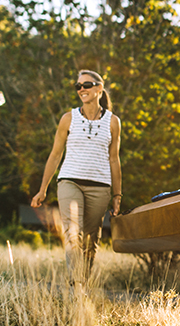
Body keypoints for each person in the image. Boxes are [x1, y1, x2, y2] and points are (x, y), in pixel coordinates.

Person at [31, 70, 122, 282]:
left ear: (99, 88)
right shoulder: (68, 118)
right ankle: (75, 283)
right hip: (69, 181)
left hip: (100, 186)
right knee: (73, 233)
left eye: (86, 85)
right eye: (78, 86)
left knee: (91, 240)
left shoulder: (113, 122)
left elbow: (114, 160)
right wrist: (43, 188)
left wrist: (117, 196)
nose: (81, 89)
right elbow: (55, 155)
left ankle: (83, 283)